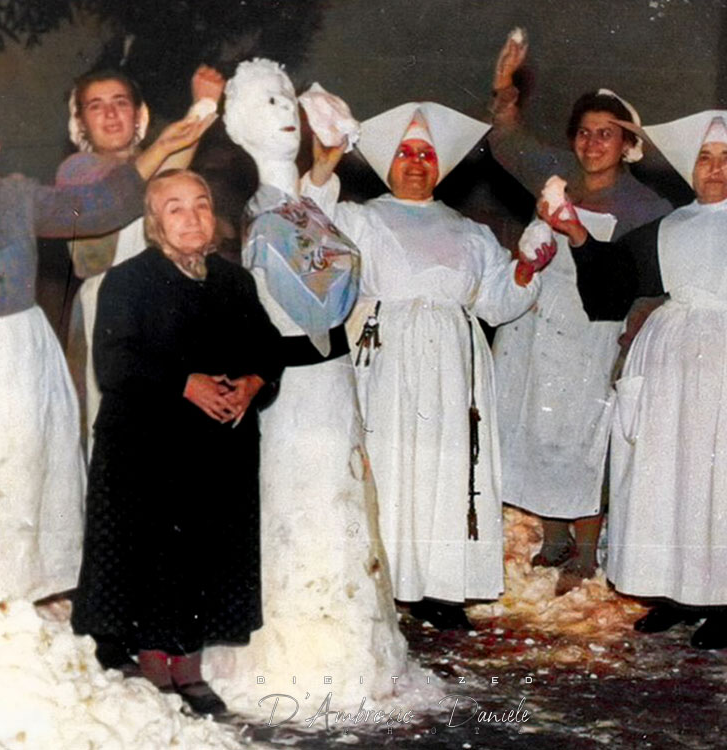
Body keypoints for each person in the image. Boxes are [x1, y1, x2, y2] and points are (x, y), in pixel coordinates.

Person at [0, 96, 209, 600]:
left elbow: (98, 210)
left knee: (30, 495)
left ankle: (27, 604)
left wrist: (161, 149)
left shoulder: (13, 197)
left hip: (26, 370)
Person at [550, 110, 727, 649]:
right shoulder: (669, 226)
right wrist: (579, 236)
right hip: (674, 363)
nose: (714, 169)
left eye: (726, 159)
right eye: (705, 158)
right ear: (690, 166)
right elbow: (615, 285)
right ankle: (675, 592)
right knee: (670, 475)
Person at [304, 99, 553, 629]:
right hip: (386, 359)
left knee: (446, 468)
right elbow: (306, 223)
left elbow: (497, 303)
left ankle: (442, 587)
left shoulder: (471, 233)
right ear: (387, 162)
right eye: (403, 152)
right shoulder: (360, 218)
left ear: (440, 164)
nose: (415, 162)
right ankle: (386, 581)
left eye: (425, 153)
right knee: (389, 464)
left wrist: (528, 269)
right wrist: (324, 162)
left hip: (453, 367)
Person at [208, 58, 408, 710]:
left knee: (338, 499)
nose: (284, 111)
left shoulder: (290, 204)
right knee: (298, 503)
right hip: (290, 385)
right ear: (238, 125)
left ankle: (353, 645)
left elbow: (312, 208)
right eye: (267, 103)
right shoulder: (254, 216)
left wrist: (327, 160)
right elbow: (311, 290)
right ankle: (294, 648)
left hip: (333, 378)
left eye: (286, 97)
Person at [71, 169, 282, 716]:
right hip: (149, 444)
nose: (191, 218)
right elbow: (114, 362)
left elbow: (267, 347)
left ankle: (189, 668)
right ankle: (153, 669)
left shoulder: (235, 282)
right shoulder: (128, 281)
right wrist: (185, 382)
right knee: (155, 558)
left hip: (218, 448)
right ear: (153, 222)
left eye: (201, 205)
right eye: (175, 208)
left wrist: (254, 382)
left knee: (206, 558)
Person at [489, 31, 671, 582]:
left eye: (607, 135)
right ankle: (555, 536)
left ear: (627, 144)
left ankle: (588, 552)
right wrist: (504, 86)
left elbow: (651, 281)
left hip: (595, 331)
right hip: (537, 321)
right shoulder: (555, 174)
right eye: (586, 133)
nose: (593, 144)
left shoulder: (645, 206)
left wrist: (634, 331)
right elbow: (507, 142)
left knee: (582, 436)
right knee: (535, 425)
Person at [58, 65, 224, 453]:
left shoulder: (153, 165)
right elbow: (102, 217)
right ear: (80, 123)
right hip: (111, 319)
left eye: (120, 103)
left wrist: (204, 103)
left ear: (139, 114)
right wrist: (164, 147)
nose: (111, 114)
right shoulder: (77, 172)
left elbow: (171, 169)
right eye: (96, 106)